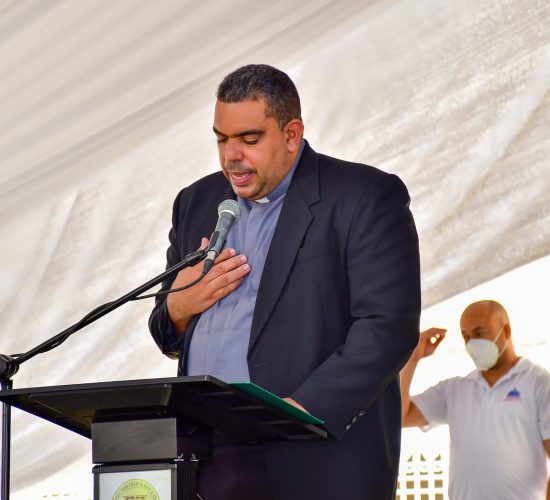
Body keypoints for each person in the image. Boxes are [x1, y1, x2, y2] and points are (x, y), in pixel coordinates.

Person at [149, 64, 421, 499]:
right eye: (221, 139)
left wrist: (301, 412)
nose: (230, 156)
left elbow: (387, 328)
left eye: (249, 139)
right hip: (207, 457)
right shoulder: (196, 202)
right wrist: (179, 308)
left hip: (314, 454)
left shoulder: (363, 196)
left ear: (292, 134)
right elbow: (166, 332)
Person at [400, 300, 550, 500]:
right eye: (466, 336)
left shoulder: (539, 383)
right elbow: (402, 416)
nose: (472, 343)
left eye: (479, 333)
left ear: (506, 331)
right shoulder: (455, 390)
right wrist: (412, 358)